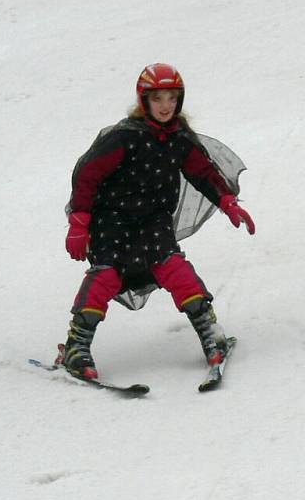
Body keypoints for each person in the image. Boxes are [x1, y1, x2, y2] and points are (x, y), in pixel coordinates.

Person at [56, 63, 256, 380]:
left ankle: (210, 333)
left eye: (172, 98)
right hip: (113, 222)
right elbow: (87, 176)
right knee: (106, 274)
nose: (166, 106)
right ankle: (76, 347)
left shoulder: (180, 140)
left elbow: (203, 173)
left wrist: (227, 201)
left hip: (154, 222)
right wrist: (79, 223)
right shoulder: (124, 138)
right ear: (144, 101)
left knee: (175, 269)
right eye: (158, 98)